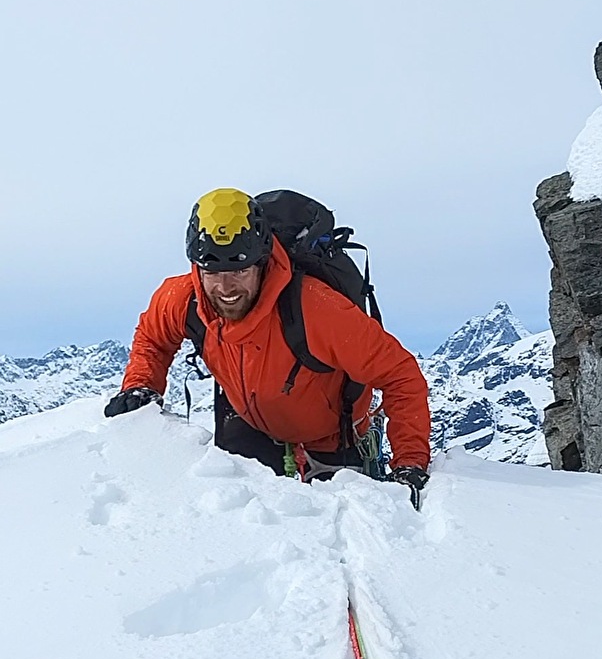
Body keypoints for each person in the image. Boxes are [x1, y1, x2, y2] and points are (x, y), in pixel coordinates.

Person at [105, 188, 431, 507]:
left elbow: (400, 375)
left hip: (334, 432)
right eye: (212, 272)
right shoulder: (183, 299)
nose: (225, 287)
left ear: (262, 262)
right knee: (236, 526)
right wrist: (141, 386)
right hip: (245, 418)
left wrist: (410, 464)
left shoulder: (316, 310)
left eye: (240, 270)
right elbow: (153, 338)